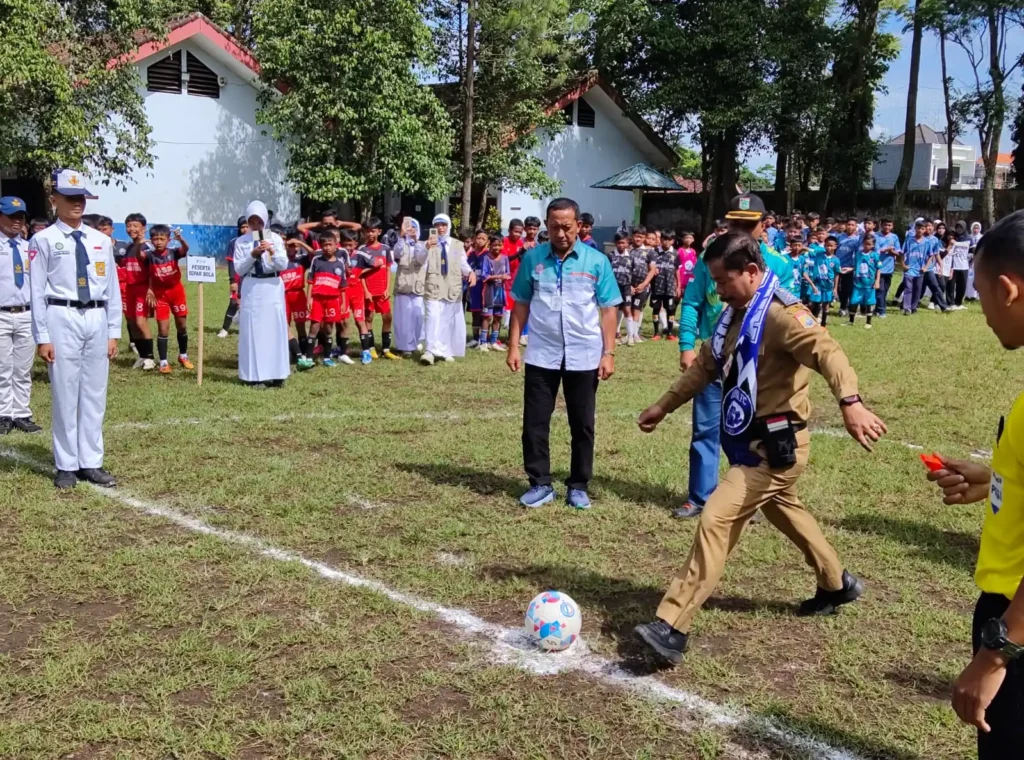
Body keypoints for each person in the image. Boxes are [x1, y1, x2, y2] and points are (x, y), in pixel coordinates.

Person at [632, 232, 886, 664]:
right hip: (748, 440)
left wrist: (851, 401)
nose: (717, 290)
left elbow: (829, 352)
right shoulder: (735, 316)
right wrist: (663, 405)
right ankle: (836, 583)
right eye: (713, 281)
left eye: (723, 280)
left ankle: (671, 625)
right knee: (787, 512)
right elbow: (707, 367)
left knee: (715, 518)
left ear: (751, 272)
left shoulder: (782, 315)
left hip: (774, 449)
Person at [925, 210, 1024, 758]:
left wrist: (996, 653)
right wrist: (996, 480)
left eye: (980, 291)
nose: (980, 308)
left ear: (1008, 289)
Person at [507, 197, 620, 510]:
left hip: (584, 354)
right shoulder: (532, 260)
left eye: (567, 227)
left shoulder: (596, 261)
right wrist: (514, 346)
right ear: (546, 225)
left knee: (582, 423)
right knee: (534, 422)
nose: (561, 233)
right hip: (542, 353)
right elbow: (521, 303)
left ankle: (578, 484)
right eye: (555, 227)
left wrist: (608, 352)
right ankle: (540, 483)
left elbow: (609, 309)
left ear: (579, 226)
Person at [29, 169, 122, 490]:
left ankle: (91, 461)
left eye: (81, 198)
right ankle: (66, 464)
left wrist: (113, 331)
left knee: (95, 393)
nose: (77, 204)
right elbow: (36, 291)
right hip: (61, 315)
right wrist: (42, 337)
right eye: (70, 198)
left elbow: (112, 289)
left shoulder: (100, 240)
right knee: (65, 392)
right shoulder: (42, 240)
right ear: (55, 200)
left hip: (95, 316)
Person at [233, 201, 289, 387]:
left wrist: (271, 250)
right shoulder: (242, 241)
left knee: (275, 329)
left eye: (259, 222)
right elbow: (239, 269)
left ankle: (277, 373)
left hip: (272, 286)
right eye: (252, 222)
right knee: (254, 331)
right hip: (253, 286)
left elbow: (282, 265)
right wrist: (253, 254)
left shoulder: (275, 238)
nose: (256, 226)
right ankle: (254, 375)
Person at [0, 197, 41, 435]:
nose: (17, 221)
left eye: (20, 217)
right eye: (11, 216)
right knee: (3, 367)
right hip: (2, 314)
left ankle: (22, 412)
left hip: (26, 313)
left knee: (23, 368)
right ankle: (4, 413)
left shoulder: (31, 248)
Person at [421, 214, 475, 365]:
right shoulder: (428, 244)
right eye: (437, 225)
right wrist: (425, 248)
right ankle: (430, 350)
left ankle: (445, 350)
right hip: (434, 285)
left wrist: (470, 273)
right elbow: (420, 261)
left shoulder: (457, 245)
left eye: (443, 225)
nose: (440, 228)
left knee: (447, 319)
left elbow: (462, 263)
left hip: (451, 286)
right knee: (432, 317)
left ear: (448, 226)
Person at [146, 225, 192, 374]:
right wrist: (150, 289)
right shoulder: (149, 256)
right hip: (160, 296)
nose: (158, 242)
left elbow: (185, 249)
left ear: (168, 240)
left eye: (162, 239)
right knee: (163, 328)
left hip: (176, 293)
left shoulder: (173, 253)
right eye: (155, 239)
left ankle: (183, 355)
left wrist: (181, 240)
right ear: (151, 240)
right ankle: (164, 362)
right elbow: (146, 271)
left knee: (182, 326)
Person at [304, 229, 348, 368]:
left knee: (329, 329)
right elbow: (310, 281)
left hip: (333, 301)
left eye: (330, 244)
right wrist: (309, 299)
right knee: (314, 327)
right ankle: (309, 358)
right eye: (324, 245)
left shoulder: (340, 264)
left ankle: (327, 358)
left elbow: (342, 286)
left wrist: (343, 303)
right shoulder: (317, 261)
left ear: (336, 245)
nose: (327, 247)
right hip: (317, 299)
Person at [355, 218, 397, 360]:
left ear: (379, 231)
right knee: (369, 318)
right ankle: (371, 348)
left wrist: (387, 288)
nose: (370, 234)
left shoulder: (385, 249)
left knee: (387, 317)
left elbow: (388, 270)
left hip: (382, 291)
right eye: (367, 231)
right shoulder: (362, 250)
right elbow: (359, 274)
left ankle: (386, 349)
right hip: (368, 292)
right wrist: (366, 291)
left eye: (372, 231)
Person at [118, 213, 155, 370]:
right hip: (129, 289)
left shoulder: (148, 247)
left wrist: (150, 289)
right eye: (128, 226)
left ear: (144, 228)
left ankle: (150, 358)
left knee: (141, 322)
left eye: (135, 226)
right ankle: (141, 355)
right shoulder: (128, 248)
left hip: (142, 289)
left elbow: (153, 270)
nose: (131, 229)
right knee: (132, 324)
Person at [392, 219, 427, 357]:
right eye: (408, 227)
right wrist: (402, 236)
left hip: (418, 286)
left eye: (414, 228)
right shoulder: (401, 244)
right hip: (403, 285)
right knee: (403, 317)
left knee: (418, 316)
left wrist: (416, 240)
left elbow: (422, 258)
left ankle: (416, 340)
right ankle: (404, 346)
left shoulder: (423, 245)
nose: (411, 230)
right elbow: (397, 254)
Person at [282, 232, 315, 367]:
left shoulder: (301, 259)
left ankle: (304, 352)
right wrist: (284, 245)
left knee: (301, 325)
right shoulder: (280, 259)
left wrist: (301, 243)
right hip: (283, 295)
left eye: (296, 246)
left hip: (298, 295)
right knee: (285, 324)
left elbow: (315, 254)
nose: (293, 249)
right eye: (291, 246)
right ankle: (292, 353)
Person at [218, 216, 248, 338]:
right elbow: (231, 262)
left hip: (252, 278)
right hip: (238, 277)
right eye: (243, 227)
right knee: (234, 302)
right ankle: (225, 329)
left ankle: (248, 328)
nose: (245, 229)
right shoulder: (234, 242)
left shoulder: (256, 239)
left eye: (248, 226)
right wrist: (232, 280)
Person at [479, 233, 510, 350]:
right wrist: (499, 276)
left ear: (502, 245)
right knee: (487, 316)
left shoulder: (505, 258)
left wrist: (505, 277)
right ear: (490, 245)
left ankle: (493, 341)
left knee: (498, 316)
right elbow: (484, 275)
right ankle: (483, 342)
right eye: (494, 245)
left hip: (500, 291)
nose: (497, 247)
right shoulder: (486, 258)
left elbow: (508, 273)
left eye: (499, 245)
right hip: (489, 291)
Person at [647, 230, 680, 340]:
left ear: (673, 241)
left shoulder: (675, 253)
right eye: (664, 239)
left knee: (670, 310)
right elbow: (648, 267)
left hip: (670, 287)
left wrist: (678, 286)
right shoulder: (654, 252)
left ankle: (670, 333)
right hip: (657, 287)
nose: (666, 242)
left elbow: (677, 271)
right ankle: (656, 333)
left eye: (669, 240)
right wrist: (652, 269)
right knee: (656, 309)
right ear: (660, 240)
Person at [805, 235, 842, 327]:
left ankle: (823, 324)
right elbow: (809, 250)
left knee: (826, 305)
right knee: (813, 302)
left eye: (831, 246)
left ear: (835, 246)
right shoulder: (819, 254)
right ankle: (810, 322)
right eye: (827, 245)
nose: (829, 247)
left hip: (828, 286)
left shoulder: (836, 260)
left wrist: (835, 288)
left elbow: (837, 274)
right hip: (817, 284)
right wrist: (802, 248)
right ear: (824, 245)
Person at [627, 230, 656, 345]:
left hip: (643, 286)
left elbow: (652, 269)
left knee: (637, 310)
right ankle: (628, 334)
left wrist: (644, 284)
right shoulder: (627, 250)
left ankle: (635, 334)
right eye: (636, 236)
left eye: (641, 237)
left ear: (644, 238)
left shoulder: (649, 252)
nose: (638, 239)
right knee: (626, 310)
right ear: (632, 236)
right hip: (628, 286)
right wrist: (628, 285)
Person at [846, 233, 880, 328]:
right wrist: (850, 269)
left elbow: (878, 269)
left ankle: (868, 322)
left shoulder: (875, 256)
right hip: (858, 283)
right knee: (854, 301)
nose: (867, 246)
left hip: (869, 284)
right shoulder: (858, 254)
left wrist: (877, 281)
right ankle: (851, 321)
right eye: (865, 243)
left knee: (869, 302)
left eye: (869, 244)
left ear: (873, 245)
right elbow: (856, 266)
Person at [901, 220, 930, 315]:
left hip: (920, 270)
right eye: (918, 228)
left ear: (925, 230)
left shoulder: (927, 242)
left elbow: (931, 256)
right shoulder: (909, 240)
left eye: (922, 229)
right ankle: (907, 308)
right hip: (909, 269)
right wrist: (903, 264)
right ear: (915, 229)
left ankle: (913, 307)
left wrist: (926, 267)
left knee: (917, 289)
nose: (920, 230)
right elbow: (901, 253)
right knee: (908, 288)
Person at [609, 233, 633, 344]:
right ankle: (615, 334)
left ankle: (631, 337)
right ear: (615, 243)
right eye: (619, 243)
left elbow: (634, 272)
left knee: (627, 310)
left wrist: (633, 285)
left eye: (623, 242)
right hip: (614, 287)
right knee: (614, 311)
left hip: (627, 287)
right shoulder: (610, 256)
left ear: (628, 243)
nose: (621, 245)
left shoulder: (631, 256)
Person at [466, 229, 488, 348]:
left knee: (485, 314)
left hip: (485, 288)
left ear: (487, 241)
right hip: (474, 288)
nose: (480, 241)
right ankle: (474, 338)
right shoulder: (471, 254)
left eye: (483, 239)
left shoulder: (488, 255)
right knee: (475, 313)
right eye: (478, 238)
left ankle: (484, 339)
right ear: (474, 239)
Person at [874, 218, 900, 318]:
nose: (887, 227)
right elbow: (875, 251)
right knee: (879, 289)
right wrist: (885, 250)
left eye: (889, 225)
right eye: (885, 225)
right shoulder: (876, 236)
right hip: (878, 267)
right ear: (881, 225)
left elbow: (898, 252)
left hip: (889, 267)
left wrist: (892, 252)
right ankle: (882, 311)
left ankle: (877, 308)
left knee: (885, 290)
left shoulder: (894, 237)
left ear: (892, 226)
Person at [835, 218, 861, 315]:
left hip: (849, 267)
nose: (850, 227)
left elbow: (859, 254)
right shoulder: (840, 237)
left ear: (856, 227)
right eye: (848, 224)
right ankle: (843, 305)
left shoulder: (858, 239)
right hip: (838, 266)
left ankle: (846, 307)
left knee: (848, 287)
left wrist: (853, 267)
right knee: (838, 288)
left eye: (852, 225)